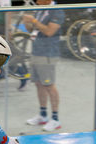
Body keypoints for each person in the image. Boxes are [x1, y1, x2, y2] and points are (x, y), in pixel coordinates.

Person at [23, 0, 64, 131]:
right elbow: (34, 29)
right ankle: (43, 115)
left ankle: (56, 119)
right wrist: (27, 23)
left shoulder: (57, 11)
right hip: (36, 51)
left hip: (48, 54)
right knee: (38, 83)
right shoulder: (40, 9)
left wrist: (34, 21)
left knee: (49, 85)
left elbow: (49, 31)